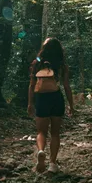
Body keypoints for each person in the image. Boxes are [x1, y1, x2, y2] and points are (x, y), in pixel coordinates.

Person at [27, 37, 74, 174]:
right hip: (56, 97)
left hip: (41, 98)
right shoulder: (61, 64)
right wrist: (71, 105)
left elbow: (31, 85)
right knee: (55, 133)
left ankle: (41, 151)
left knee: (41, 132)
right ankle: (52, 163)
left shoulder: (37, 63)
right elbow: (66, 86)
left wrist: (30, 103)